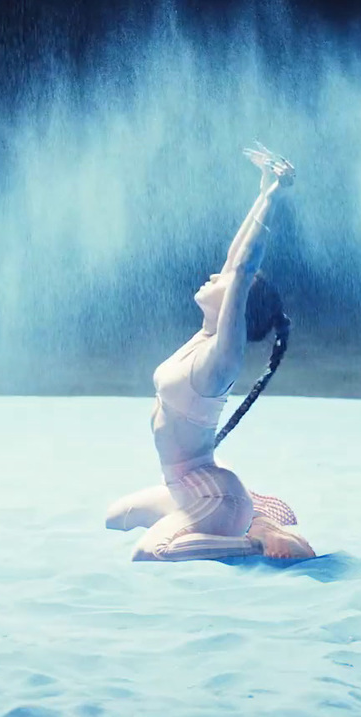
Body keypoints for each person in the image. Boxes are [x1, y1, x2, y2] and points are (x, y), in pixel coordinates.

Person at [104, 145, 315, 562]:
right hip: (186, 485)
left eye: (227, 280)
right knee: (116, 517)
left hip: (215, 498)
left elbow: (242, 268)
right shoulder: (205, 336)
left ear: (236, 305)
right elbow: (236, 260)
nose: (216, 273)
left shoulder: (221, 359)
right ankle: (253, 514)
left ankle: (255, 537)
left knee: (150, 552)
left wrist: (275, 196)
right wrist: (260, 189)